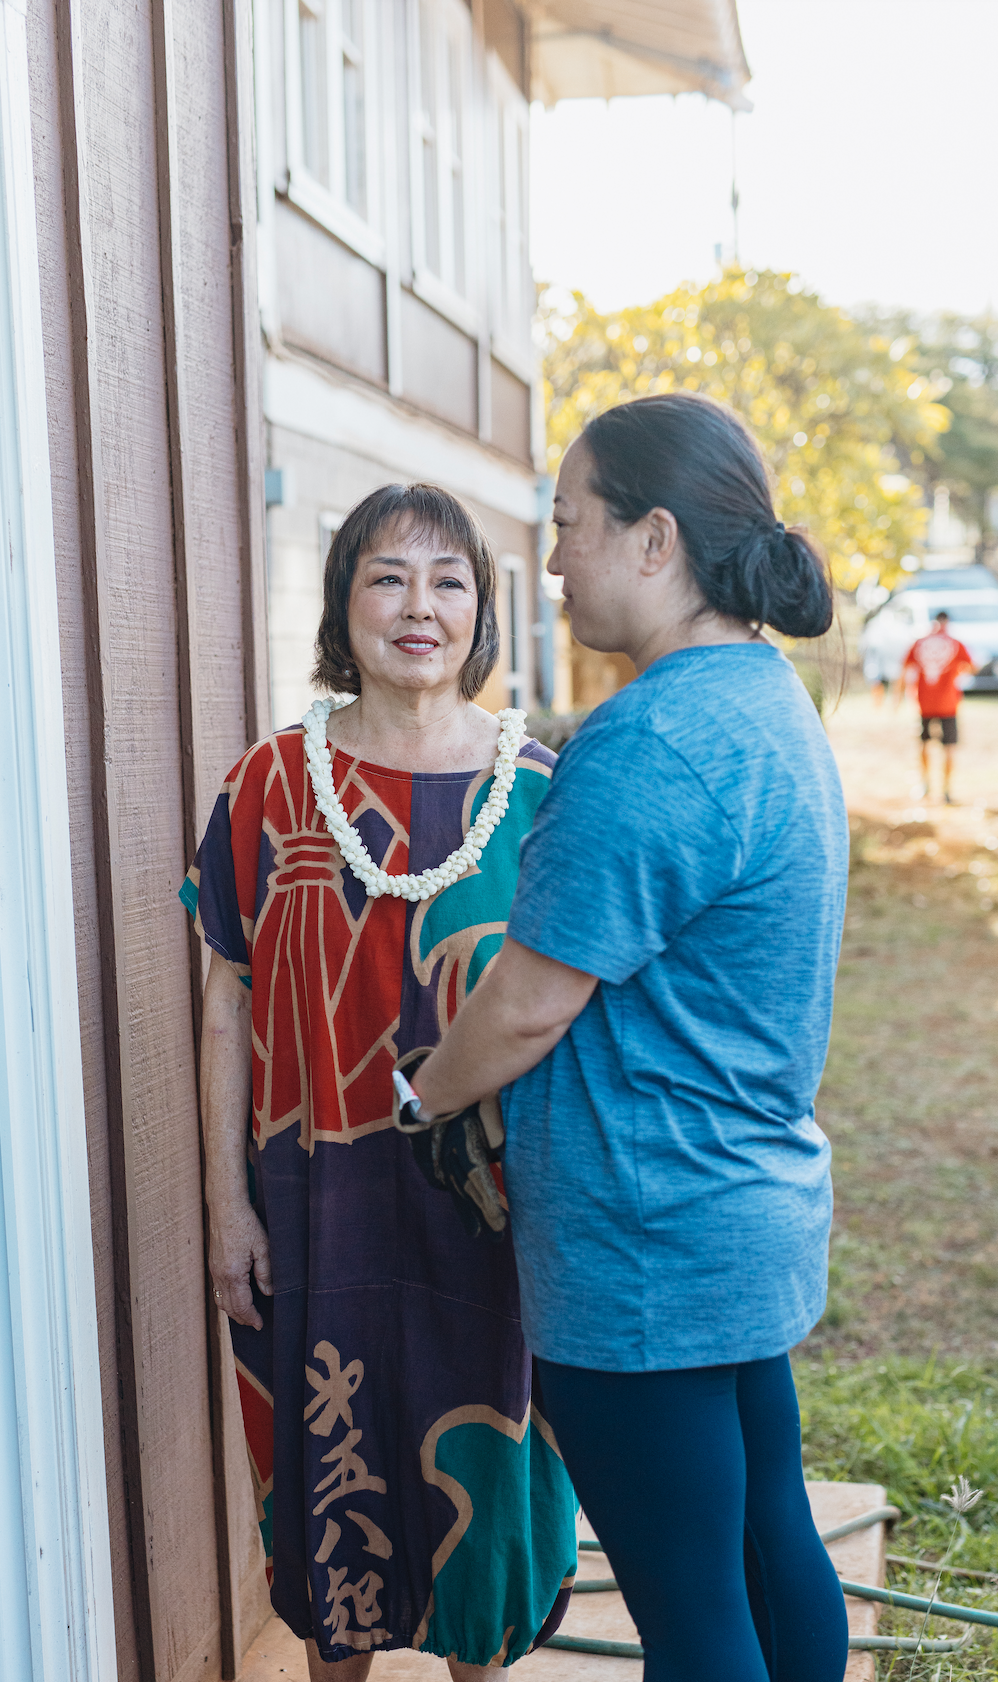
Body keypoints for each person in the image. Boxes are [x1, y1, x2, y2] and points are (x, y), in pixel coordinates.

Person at [403, 393, 852, 1682]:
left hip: (646, 1244)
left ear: (653, 540)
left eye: (566, 523)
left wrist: (425, 1095)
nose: (550, 560)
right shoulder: (764, 702)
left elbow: (533, 997)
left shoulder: (651, 736)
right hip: (736, 1212)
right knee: (769, 1553)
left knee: (695, 1615)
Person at [180, 485, 577, 1679]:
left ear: (482, 613)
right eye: (387, 576)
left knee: (490, 1499)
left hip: (499, 1212)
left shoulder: (547, 796)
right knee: (326, 1486)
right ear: (341, 603)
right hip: (314, 1207)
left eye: (449, 580)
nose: (419, 606)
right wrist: (225, 1207)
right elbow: (227, 1004)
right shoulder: (265, 788)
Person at [899, 609, 975, 802]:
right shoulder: (955, 643)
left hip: (925, 702)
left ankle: (925, 785)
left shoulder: (920, 642)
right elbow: (971, 666)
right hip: (948, 704)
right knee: (948, 746)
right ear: (947, 622)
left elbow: (905, 666)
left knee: (924, 743)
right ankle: (947, 790)